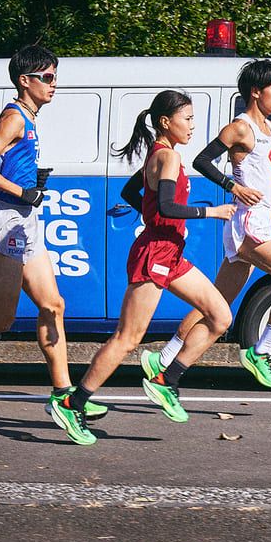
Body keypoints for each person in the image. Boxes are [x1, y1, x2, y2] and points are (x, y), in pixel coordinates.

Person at [49, 90, 235, 445]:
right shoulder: (168, 159)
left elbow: (131, 191)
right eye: (188, 119)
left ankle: (167, 379)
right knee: (128, 339)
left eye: (193, 119)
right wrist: (210, 212)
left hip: (171, 253)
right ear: (166, 122)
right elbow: (165, 206)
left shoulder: (162, 156)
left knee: (220, 316)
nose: (193, 126)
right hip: (155, 254)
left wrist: (152, 213)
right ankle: (74, 403)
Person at [145, 60, 271, 390]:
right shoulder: (240, 127)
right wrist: (232, 188)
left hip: (259, 220)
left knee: (217, 300)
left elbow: (260, 180)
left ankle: (164, 358)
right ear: (256, 92)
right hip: (248, 227)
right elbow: (202, 160)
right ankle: (261, 352)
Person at [0, 45, 107, 422]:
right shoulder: (13, 117)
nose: (53, 84)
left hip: (26, 218)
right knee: (0, 320)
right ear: (24, 81)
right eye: (46, 77)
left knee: (53, 305)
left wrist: (30, 182)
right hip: (8, 218)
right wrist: (20, 190)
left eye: (55, 77)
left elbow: (6, 164)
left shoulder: (30, 117)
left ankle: (63, 395)